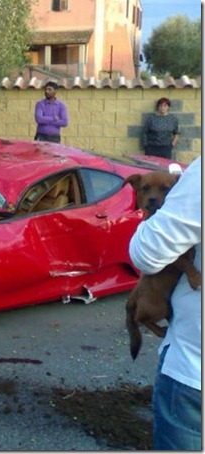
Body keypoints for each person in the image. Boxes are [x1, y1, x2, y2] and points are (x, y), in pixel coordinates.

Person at [129, 156, 201, 450]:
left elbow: (148, 252)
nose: (155, 197)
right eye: (147, 190)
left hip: (193, 369)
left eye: (164, 192)